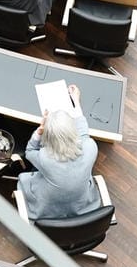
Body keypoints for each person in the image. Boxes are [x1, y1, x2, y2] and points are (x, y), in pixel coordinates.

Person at [20, 86, 101, 221]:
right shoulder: (90, 147)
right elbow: (83, 133)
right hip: (80, 205)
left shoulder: (46, 157)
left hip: (47, 208)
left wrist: (39, 131)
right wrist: (76, 101)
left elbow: (29, 151)